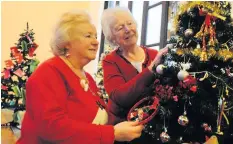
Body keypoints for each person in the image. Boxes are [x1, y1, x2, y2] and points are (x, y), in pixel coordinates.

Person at [17, 10, 144, 144]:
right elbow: (51, 128)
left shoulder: (88, 78)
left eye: (95, 36)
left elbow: (105, 118)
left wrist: (133, 123)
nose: (96, 42)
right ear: (66, 42)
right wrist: (112, 133)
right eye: (88, 36)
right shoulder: (49, 71)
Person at [101, 7, 168, 143]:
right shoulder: (110, 61)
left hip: (155, 129)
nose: (127, 29)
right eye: (120, 27)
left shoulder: (154, 54)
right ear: (111, 37)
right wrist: (150, 70)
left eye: (130, 23)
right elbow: (120, 97)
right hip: (124, 131)